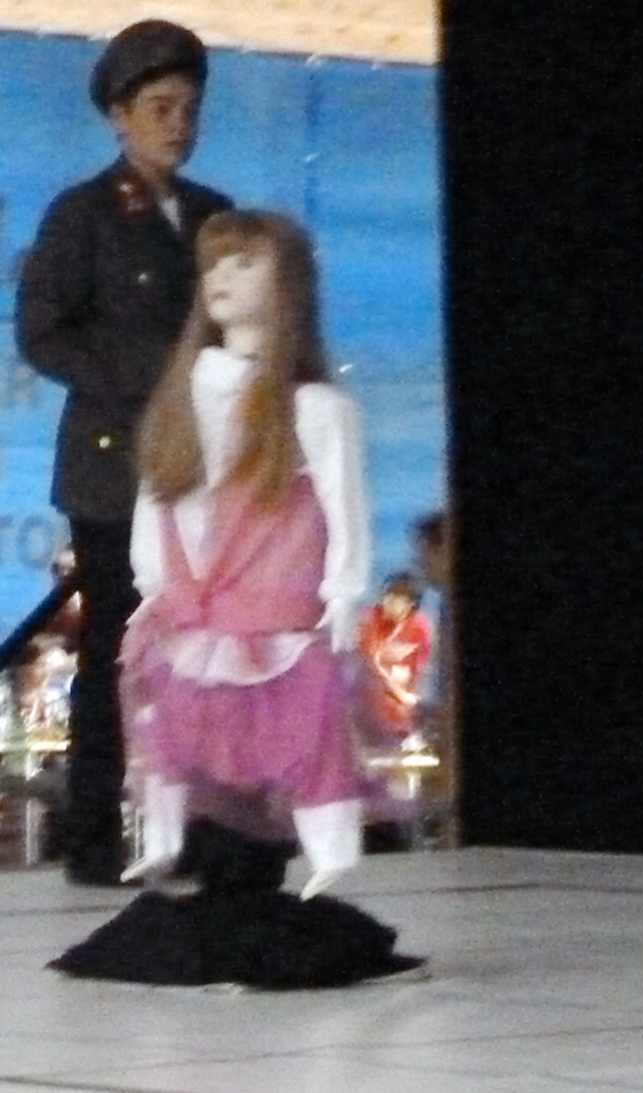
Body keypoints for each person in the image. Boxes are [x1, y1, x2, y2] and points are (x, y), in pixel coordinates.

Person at [16, 20, 232, 885]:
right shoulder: (83, 214)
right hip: (114, 466)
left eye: (189, 109)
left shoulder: (214, 215)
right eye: (160, 107)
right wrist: (149, 376)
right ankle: (95, 832)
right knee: (114, 647)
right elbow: (42, 333)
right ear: (119, 115)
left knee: (207, 650)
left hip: (203, 466)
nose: (179, 124)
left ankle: (209, 825)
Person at [117, 209, 373, 903]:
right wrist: (151, 585)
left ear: (287, 284)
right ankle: (162, 838)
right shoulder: (180, 398)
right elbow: (157, 498)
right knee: (174, 722)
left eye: (244, 263)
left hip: (272, 601)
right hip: (190, 604)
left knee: (304, 729)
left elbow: (344, 506)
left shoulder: (313, 407)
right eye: (213, 265)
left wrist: (343, 591)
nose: (221, 278)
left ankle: (330, 848)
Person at [358, 571, 434, 740]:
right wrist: (399, 694)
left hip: (402, 701)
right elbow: (371, 665)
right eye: (386, 597)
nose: (387, 603)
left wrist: (410, 698)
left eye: (394, 600)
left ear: (410, 604)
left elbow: (419, 669)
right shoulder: (370, 620)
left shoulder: (420, 628)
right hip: (373, 697)